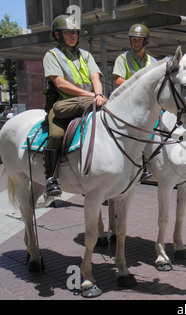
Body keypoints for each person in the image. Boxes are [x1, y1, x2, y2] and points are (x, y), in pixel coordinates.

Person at [42, 15, 107, 197]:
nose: (73, 36)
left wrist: (99, 94)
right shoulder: (52, 55)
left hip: (90, 102)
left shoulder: (86, 55)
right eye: (68, 32)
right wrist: (92, 96)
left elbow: (95, 77)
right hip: (63, 105)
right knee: (56, 135)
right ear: (57, 35)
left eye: (75, 32)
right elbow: (60, 84)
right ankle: (51, 178)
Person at [113, 23, 157, 181]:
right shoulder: (122, 58)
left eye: (139, 40)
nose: (136, 43)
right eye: (133, 40)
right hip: (127, 106)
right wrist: (138, 86)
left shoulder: (153, 61)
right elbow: (118, 79)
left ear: (146, 42)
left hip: (148, 106)